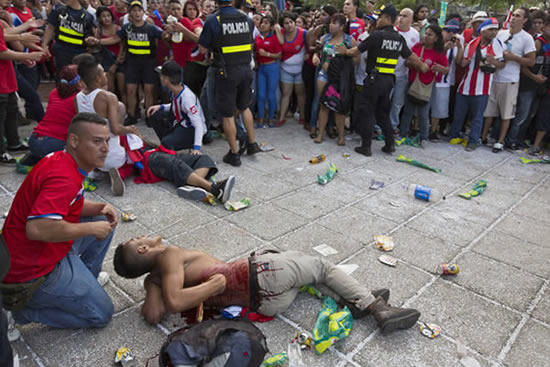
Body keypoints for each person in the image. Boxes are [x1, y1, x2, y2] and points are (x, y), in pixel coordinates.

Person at [113, 236, 422, 334]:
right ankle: (377, 308)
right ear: (142, 251)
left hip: (265, 303)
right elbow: (177, 301)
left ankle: (354, 299)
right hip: (261, 277)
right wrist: (213, 286)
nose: (146, 238)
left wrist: (151, 286)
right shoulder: (169, 256)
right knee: (321, 267)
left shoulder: (156, 279)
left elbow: (153, 314)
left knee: (297, 270)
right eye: (139, 240)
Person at [0, 112, 117, 329]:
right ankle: (21, 311)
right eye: (97, 141)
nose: (105, 148)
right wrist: (90, 228)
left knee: (103, 217)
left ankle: (85, 281)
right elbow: (37, 228)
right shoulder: (63, 178)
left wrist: (99, 208)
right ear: (74, 141)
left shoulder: (62, 160)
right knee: (102, 314)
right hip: (32, 271)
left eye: (107, 141)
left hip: (38, 252)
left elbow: (67, 205)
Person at [338, 4, 427, 157]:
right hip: (388, 81)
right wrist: (422, 65)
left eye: (380, 17)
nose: (377, 20)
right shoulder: (399, 38)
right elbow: (410, 56)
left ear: (387, 18)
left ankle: (366, 146)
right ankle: (389, 144)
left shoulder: (377, 36)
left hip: (373, 79)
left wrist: (344, 51)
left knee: (366, 111)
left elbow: (356, 51)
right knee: (382, 114)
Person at [198, 0, 261, 167]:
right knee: (244, 106)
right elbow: (251, 43)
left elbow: (203, 49)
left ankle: (233, 154)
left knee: (227, 114)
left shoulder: (213, 19)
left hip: (226, 71)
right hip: (246, 68)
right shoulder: (246, 18)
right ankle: (252, 143)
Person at [74, 53, 138, 196]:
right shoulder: (108, 97)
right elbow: (116, 129)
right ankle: (116, 172)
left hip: (88, 154)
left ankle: (93, 172)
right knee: (134, 156)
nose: (106, 74)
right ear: (98, 78)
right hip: (110, 154)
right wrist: (129, 130)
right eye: (103, 72)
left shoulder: (77, 97)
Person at [481, 7, 536, 153]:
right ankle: (484, 136)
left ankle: (500, 141)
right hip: (494, 76)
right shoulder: (501, 34)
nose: (513, 18)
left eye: (518, 16)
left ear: (524, 20)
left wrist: (514, 58)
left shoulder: (527, 38)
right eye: (513, 15)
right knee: (489, 110)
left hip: (510, 79)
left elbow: (531, 61)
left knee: (506, 113)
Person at [448, 18, 505, 151]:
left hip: (482, 88)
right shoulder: (473, 43)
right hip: (466, 85)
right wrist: (460, 48)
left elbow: (502, 64)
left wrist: (493, 61)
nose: (494, 32)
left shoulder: (497, 44)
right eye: (491, 29)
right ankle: (454, 135)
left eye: (495, 30)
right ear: (483, 30)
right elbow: (462, 63)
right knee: (458, 114)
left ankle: (473, 141)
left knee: (477, 117)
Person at [0, 22, 44, 164]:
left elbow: (5, 36)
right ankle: (1, 152)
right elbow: (2, 52)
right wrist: (24, 56)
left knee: (11, 108)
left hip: (7, 74)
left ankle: (14, 144)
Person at [399, 24, 448, 145]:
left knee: (423, 114)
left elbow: (447, 69)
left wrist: (438, 68)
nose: (426, 36)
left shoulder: (439, 52)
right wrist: (418, 65)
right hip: (412, 83)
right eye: (425, 33)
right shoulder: (417, 47)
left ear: (436, 38)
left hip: (427, 86)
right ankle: (403, 134)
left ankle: (423, 138)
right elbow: (407, 62)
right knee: (408, 111)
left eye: (430, 35)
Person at [312, 13, 357, 145]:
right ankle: (320, 134)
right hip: (324, 75)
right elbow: (318, 51)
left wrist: (346, 53)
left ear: (342, 26)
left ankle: (341, 137)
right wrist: (316, 56)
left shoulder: (349, 41)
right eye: (330, 22)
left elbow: (357, 59)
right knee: (323, 105)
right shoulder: (325, 38)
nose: (331, 25)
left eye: (334, 23)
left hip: (340, 78)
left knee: (340, 108)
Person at [23, 65, 80, 166]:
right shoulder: (79, 98)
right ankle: (48, 158)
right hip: (54, 143)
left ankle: (37, 157)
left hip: (34, 139)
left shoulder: (54, 92)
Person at [147, 60, 207, 152]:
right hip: (181, 123)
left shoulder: (187, 98)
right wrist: (161, 107)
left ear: (165, 79)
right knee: (155, 114)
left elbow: (198, 124)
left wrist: (197, 148)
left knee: (166, 143)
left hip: (191, 129)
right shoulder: (175, 89)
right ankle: (167, 143)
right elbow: (176, 106)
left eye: (161, 75)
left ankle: (169, 145)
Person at [41, 0, 95, 78]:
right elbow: (50, 27)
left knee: (78, 78)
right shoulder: (58, 10)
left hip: (79, 52)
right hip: (62, 51)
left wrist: (90, 41)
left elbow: (88, 35)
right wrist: (44, 45)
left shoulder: (88, 16)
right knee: (62, 77)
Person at [429, 19, 462, 142]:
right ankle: (419, 128)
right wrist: (444, 49)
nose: (451, 34)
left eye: (454, 31)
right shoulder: (436, 42)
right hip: (431, 78)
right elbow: (434, 57)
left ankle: (433, 130)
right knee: (425, 105)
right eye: (448, 31)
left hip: (445, 81)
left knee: (439, 108)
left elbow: (459, 61)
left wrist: (459, 47)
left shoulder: (455, 45)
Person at [389, 7, 419, 135]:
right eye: (400, 15)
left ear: (411, 20)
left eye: (405, 16)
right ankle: (379, 125)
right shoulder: (391, 31)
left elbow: (415, 53)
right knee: (385, 100)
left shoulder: (415, 34)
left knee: (397, 102)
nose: (401, 18)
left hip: (403, 74)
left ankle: (393, 125)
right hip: (388, 72)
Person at [276, 11, 306, 127]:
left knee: (300, 94)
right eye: (286, 23)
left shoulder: (303, 33)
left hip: (300, 69)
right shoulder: (280, 33)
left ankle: (302, 116)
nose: (289, 25)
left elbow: (310, 46)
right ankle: (282, 117)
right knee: (286, 93)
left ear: (295, 22)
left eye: (291, 22)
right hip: (285, 69)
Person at [527, 15, 550, 155]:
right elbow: (529, 62)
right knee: (531, 113)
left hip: (546, 87)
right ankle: (529, 141)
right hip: (535, 84)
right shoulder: (538, 42)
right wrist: (534, 77)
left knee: (544, 116)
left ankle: (538, 143)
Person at [255, 14, 281, 128]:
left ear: (271, 27)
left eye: (265, 23)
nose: (262, 24)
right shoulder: (258, 38)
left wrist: (267, 54)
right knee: (260, 95)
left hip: (272, 68)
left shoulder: (274, 38)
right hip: (261, 68)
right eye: (262, 22)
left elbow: (279, 55)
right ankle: (260, 119)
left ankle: (270, 118)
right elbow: (255, 52)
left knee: (271, 95)